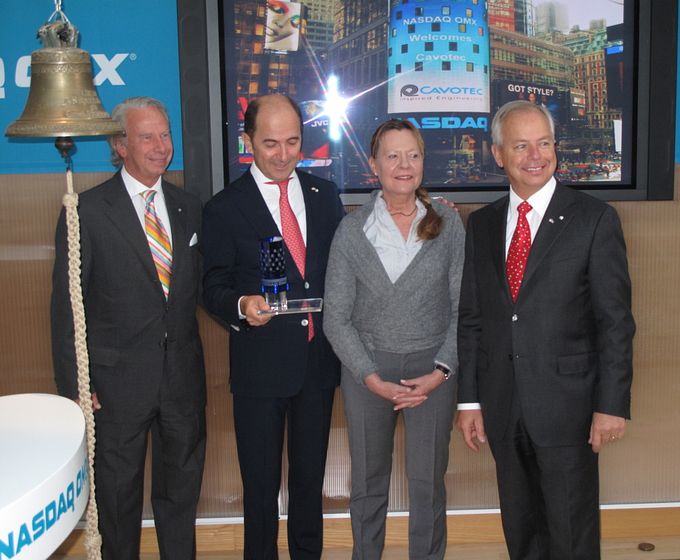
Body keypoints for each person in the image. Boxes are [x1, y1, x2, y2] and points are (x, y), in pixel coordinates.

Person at [456, 100, 635, 559]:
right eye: (521, 145)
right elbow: (472, 318)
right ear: (499, 154)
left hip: (569, 408)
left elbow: (614, 322)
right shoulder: (482, 224)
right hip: (502, 405)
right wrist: (470, 399)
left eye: (544, 143)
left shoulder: (594, 219)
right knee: (522, 530)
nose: (536, 156)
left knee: (571, 532)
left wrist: (611, 405)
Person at [51, 97, 206, 560]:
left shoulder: (187, 207)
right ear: (119, 145)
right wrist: (77, 387)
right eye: (147, 137)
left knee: (180, 497)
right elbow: (66, 309)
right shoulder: (87, 210)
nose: (161, 147)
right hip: (115, 389)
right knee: (118, 502)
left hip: (181, 379)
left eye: (165, 135)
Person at [201, 93, 345, 560]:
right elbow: (213, 286)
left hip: (318, 366)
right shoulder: (225, 207)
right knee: (260, 491)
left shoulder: (326, 197)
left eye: (292, 142)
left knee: (309, 485)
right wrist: (243, 304)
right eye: (270, 144)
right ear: (247, 142)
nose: (283, 155)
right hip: (260, 369)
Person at [324, 119, 465, 559]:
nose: (404, 165)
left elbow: (466, 311)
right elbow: (336, 318)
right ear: (373, 165)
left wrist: (441, 370)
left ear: (424, 161)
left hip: (433, 373)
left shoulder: (448, 224)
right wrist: (369, 376)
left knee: (427, 484)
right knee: (367, 485)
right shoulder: (352, 231)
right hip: (367, 371)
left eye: (413, 155)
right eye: (392, 155)